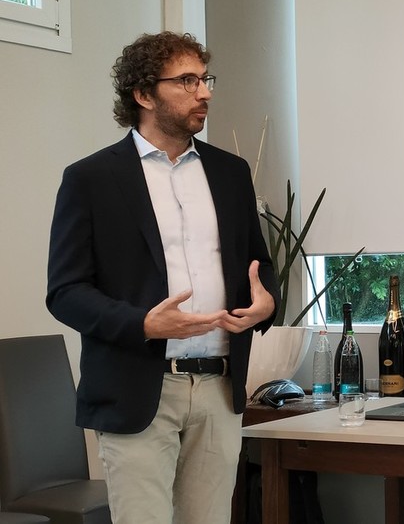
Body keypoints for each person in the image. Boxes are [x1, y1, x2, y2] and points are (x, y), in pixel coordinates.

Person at [46, 31, 280, 524]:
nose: (205, 92)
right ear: (144, 94)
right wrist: (143, 324)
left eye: (206, 79)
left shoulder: (231, 173)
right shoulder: (90, 179)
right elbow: (65, 292)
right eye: (187, 81)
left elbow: (260, 266)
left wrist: (266, 304)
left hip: (220, 388)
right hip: (137, 388)